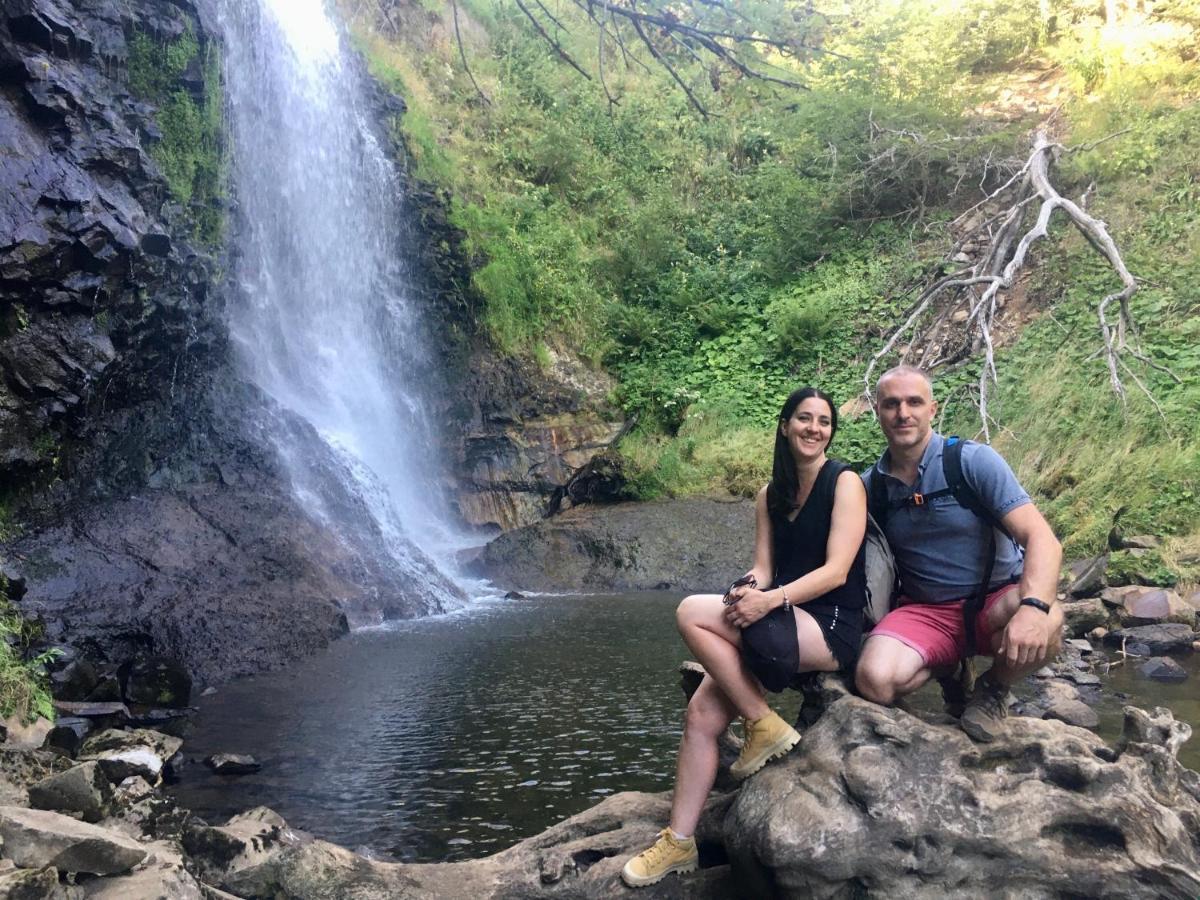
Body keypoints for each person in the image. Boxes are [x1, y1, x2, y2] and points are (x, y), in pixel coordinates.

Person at [621, 387, 868, 888]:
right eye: (804, 418)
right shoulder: (769, 496)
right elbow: (762, 568)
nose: (814, 429)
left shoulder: (844, 483)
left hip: (831, 624)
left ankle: (763, 723)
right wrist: (745, 589)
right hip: (780, 616)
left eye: (824, 422)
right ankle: (679, 842)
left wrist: (768, 601)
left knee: (693, 611)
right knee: (701, 716)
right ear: (784, 425)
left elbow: (838, 571)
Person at [855, 365, 1064, 743]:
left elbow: (1042, 539)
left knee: (1050, 619)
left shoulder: (971, 462)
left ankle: (994, 687)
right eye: (891, 404)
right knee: (875, 681)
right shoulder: (871, 487)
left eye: (914, 402)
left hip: (995, 600)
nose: (903, 413)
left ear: (932, 409)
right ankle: (948, 666)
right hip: (925, 610)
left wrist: (1033, 608)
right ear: (877, 412)